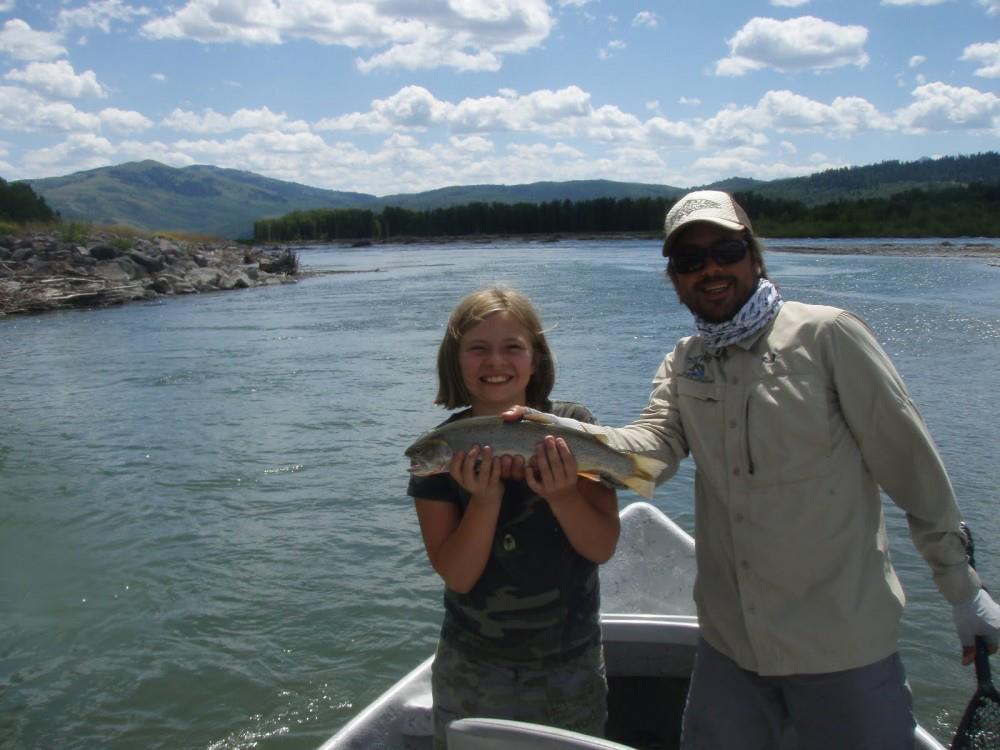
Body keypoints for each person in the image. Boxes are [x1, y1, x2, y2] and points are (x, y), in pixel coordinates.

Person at [503, 191, 1000, 749]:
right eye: (690, 261)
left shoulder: (829, 335)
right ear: (673, 277)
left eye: (726, 250)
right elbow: (650, 454)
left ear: (754, 256)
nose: (710, 269)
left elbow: (912, 467)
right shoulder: (685, 360)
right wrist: (559, 437)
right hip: (730, 650)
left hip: (842, 647)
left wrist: (962, 589)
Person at [408, 286, 620, 749]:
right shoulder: (441, 450)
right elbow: (459, 577)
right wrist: (484, 501)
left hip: (571, 662)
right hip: (473, 666)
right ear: (454, 360)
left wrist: (564, 496)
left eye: (512, 347)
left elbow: (602, 546)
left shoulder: (571, 428)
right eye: (477, 349)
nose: (495, 362)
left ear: (536, 358)